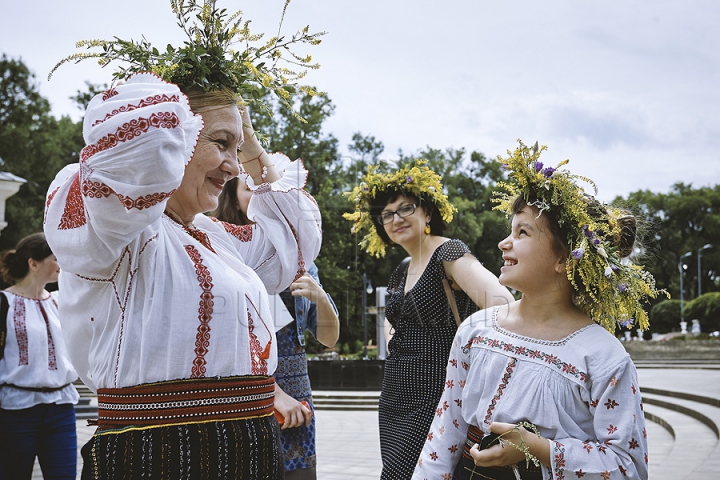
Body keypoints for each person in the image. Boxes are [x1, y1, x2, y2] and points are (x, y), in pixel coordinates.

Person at [413, 141, 662, 480]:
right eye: (509, 230)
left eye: (523, 232)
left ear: (565, 258)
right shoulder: (476, 330)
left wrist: (541, 450)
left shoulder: (603, 358)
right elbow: (446, 431)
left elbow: (627, 467)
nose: (504, 243)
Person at [344, 161, 514, 479]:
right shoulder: (401, 268)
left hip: (436, 395)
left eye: (405, 208)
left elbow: (503, 304)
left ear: (427, 212)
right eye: (387, 215)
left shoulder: (448, 254)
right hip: (394, 396)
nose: (396, 219)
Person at [213, 170, 340, 479]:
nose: (262, 197)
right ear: (233, 196)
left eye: (270, 190)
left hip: (297, 398)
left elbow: (328, 339)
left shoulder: (302, 259)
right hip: (248, 392)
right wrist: (272, 391)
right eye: (250, 188)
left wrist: (321, 298)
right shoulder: (223, 252)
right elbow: (221, 340)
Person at [0, 233, 79, 480]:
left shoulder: (61, 301)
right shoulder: (4, 303)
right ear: (33, 263)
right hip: (16, 411)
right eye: (55, 258)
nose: (61, 264)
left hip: (61, 409)